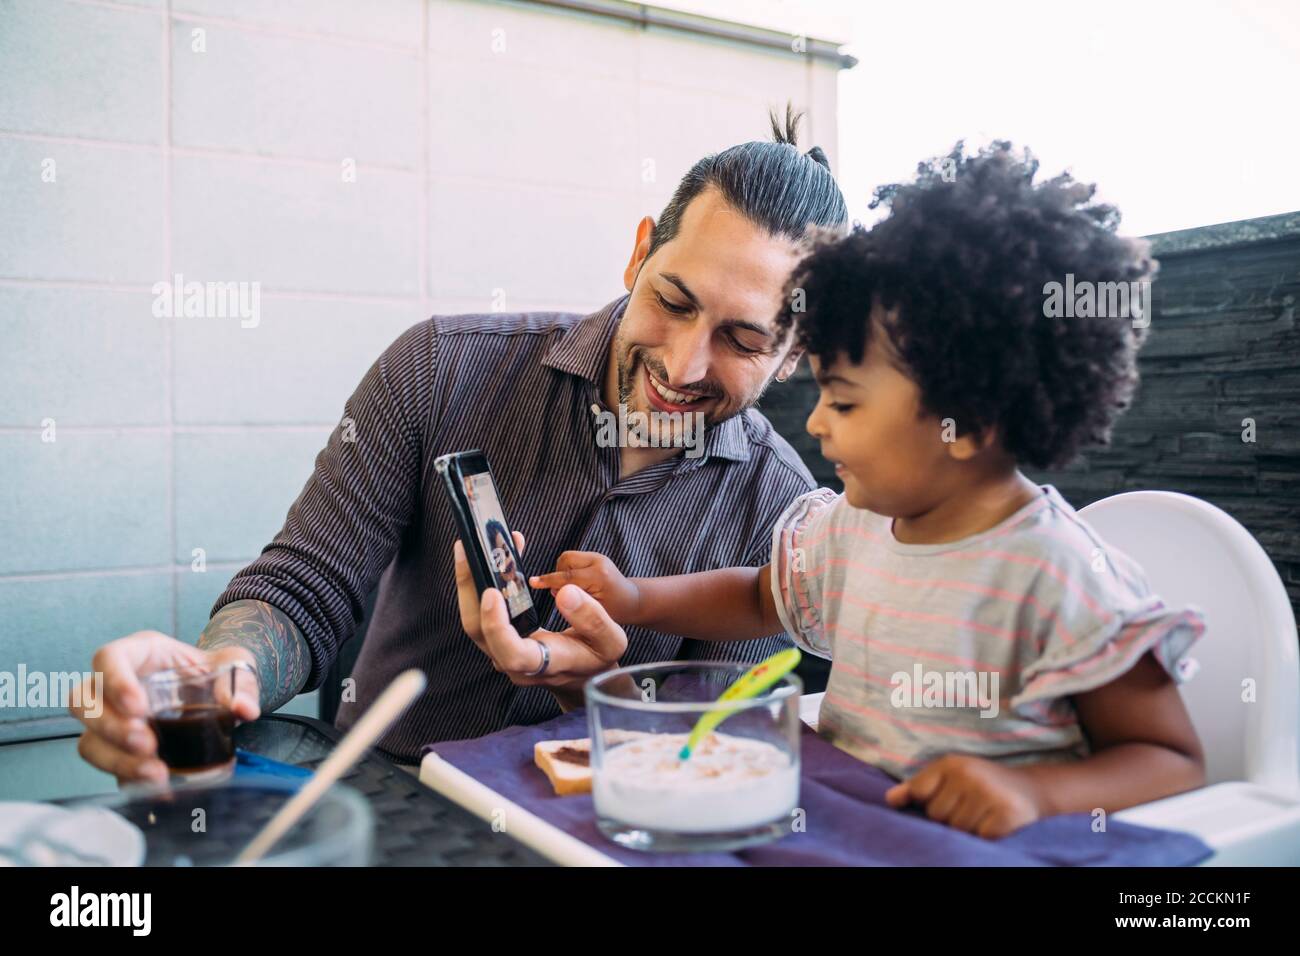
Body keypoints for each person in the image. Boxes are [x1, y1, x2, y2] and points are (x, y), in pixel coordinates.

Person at [70, 107, 849, 781]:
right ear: (639, 252)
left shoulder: (784, 516)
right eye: (671, 301)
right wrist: (216, 675)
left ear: (793, 351)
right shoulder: (440, 367)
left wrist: (596, 696)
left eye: (743, 340)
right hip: (380, 799)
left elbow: (704, 762)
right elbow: (305, 589)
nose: (682, 366)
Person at [528, 142, 1208, 839]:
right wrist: (640, 598)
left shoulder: (1059, 575)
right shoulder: (856, 526)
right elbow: (762, 596)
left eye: (845, 404)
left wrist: (1032, 791)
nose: (816, 422)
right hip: (849, 829)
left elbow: (1170, 759)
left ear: (964, 423)